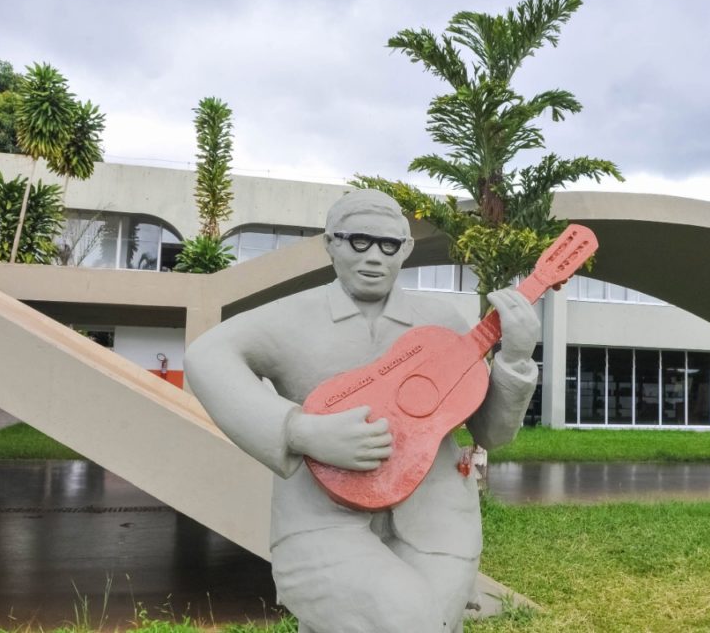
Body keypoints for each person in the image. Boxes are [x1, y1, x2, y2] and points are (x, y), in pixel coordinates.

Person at [185, 189, 538, 632]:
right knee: (407, 620)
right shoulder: (293, 316)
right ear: (330, 243)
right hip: (322, 522)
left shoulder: (441, 321)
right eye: (359, 241)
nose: (374, 256)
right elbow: (206, 357)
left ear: (405, 250)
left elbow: (490, 432)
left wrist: (515, 361)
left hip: (437, 522)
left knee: (436, 624)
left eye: (389, 245)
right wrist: (299, 432)